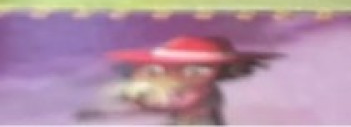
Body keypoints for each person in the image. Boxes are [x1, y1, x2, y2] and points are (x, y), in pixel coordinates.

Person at [80, 35, 273, 126]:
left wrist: (137, 101)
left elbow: (174, 104)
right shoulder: (181, 88)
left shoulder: (202, 92)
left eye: (195, 70)